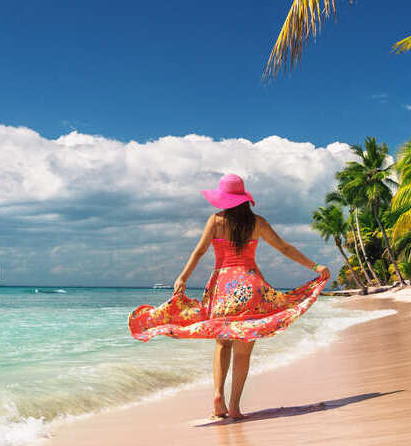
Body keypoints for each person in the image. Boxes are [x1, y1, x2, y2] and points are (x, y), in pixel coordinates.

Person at [128, 174, 330, 420]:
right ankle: (234, 407)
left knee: (222, 341)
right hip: (250, 287)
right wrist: (315, 266)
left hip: (222, 288)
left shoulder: (215, 221)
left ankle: (217, 396)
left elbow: (200, 250)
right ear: (244, 198)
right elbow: (284, 247)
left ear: (223, 199)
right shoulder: (257, 222)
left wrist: (183, 277)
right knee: (243, 351)